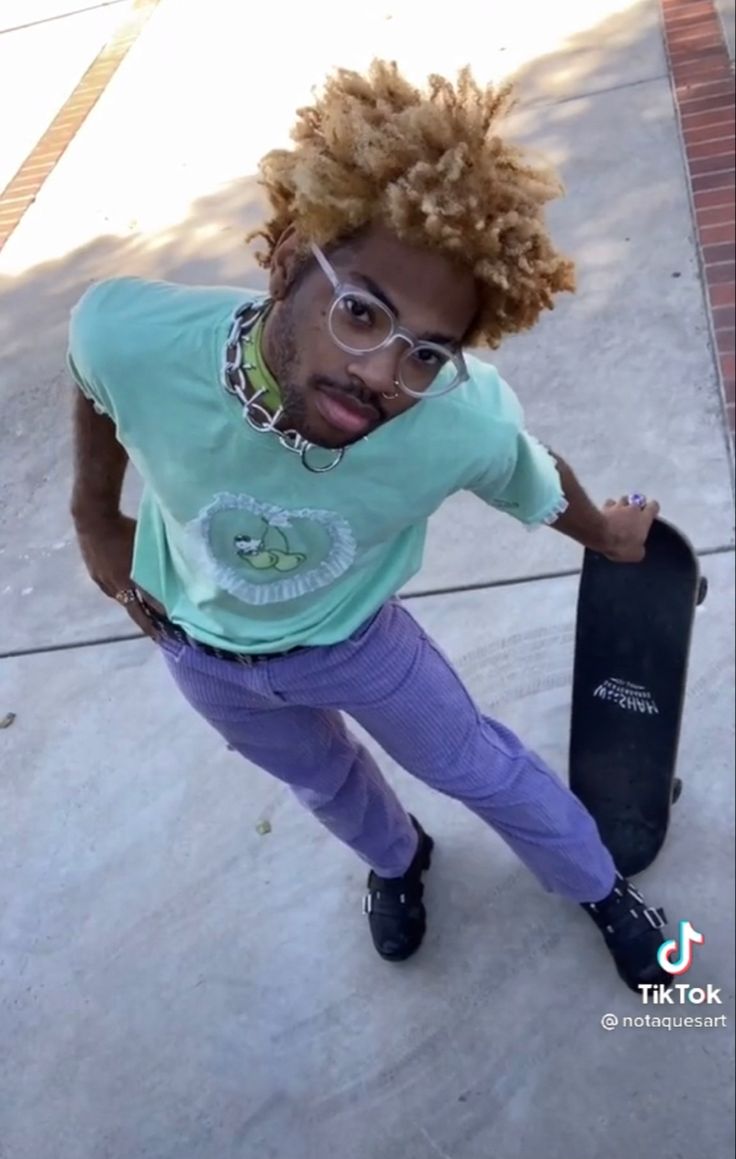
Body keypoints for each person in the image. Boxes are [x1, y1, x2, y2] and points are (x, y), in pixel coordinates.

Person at [68, 60, 672, 992]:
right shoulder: (133, 335)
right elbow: (93, 370)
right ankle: (398, 861)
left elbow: (532, 470)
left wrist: (606, 536)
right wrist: (94, 518)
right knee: (326, 783)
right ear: (285, 254)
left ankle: (598, 885)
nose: (385, 371)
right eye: (361, 311)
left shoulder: (456, 418)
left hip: (358, 642)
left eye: (428, 351)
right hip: (202, 656)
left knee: (479, 765)